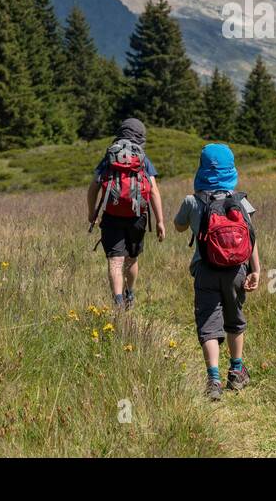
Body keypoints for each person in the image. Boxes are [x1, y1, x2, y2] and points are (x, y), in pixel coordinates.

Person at [173, 143, 261, 401]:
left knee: (209, 325)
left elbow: (178, 227)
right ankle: (236, 370)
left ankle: (213, 379)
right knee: (234, 319)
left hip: (205, 271)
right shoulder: (241, 200)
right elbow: (252, 238)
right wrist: (256, 269)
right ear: (230, 169)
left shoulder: (192, 201)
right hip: (237, 270)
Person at [87, 118, 165, 310]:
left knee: (115, 260)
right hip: (137, 215)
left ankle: (118, 300)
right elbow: (154, 191)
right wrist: (160, 221)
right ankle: (130, 292)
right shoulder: (142, 158)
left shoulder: (109, 156)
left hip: (112, 214)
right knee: (131, 258)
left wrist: (92, 213)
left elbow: (93, 186)